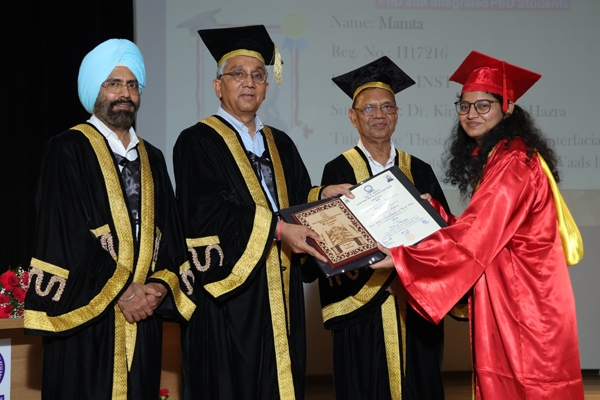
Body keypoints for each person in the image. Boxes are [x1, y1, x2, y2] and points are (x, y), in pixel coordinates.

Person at [372, 50, 585, 399]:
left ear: (508, 107)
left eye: (483, 105)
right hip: (511, 294)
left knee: (531, 388)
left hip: (528, 302)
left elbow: (477, 235)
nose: (471, 114)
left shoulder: (513, 160)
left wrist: (403, 256)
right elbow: (487, 227)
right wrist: (436, 215)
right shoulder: (500, 155)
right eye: (465, 105)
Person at [173, 25, 351, 400]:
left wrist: (322, 195)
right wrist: (278, 230)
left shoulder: (280, 142)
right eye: (237, 74)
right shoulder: (197, 140)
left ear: (267, 88)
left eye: (257, 75)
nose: (249, 82)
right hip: (232, 294)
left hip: (281, 290)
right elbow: (208, 210)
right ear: (218, 86)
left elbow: (296, 198)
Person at [24, 39, 195, 400]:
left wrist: (158, 288)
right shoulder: (67, 149)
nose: (124, 94)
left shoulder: (153, 157)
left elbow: (172, 233)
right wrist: (125, 291)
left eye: (132, 85)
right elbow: (65, 234)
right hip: (86, 319)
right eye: (113, 83)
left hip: (143, 318)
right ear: (94, 91)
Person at [314, 56, 453, 400]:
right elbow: (332, 241)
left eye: (387, 107)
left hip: (416, 305)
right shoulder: (337, 171)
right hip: (362, 306)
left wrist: (408, 277)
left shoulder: (419, 170)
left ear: (397, 113)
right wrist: (384, 281)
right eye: (369, 108)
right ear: (353, 117)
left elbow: (445, 240)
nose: (379, 115)